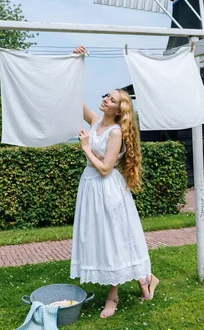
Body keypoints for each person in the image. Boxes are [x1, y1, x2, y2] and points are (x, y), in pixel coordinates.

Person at [69, 46, 159, 319]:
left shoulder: (116, 132)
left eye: (112, 98)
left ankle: (113, 296)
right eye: (107, 95)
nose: (106, 98)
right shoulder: (96, 122)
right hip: (90, 187)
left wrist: (85, 147)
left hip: (106, 188)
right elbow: (73, 99)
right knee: (104, 239)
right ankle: (146, 279)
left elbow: (107, 169)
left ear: (120, 110)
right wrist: (76, 64)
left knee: (114, 241)